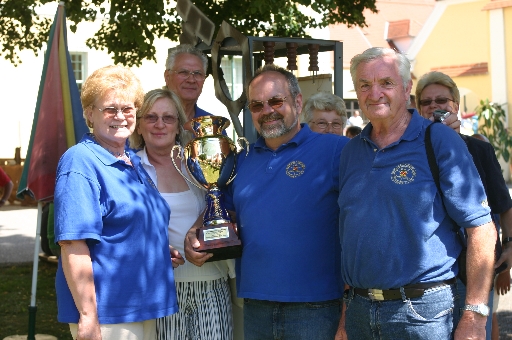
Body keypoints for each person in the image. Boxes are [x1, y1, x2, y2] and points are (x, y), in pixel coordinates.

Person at [338, 47, 496, 339]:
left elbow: (482, 229)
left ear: (406, 87)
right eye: (364, 85)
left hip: (423, 313)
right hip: (360, 311)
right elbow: (351, 239)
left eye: (386, 82)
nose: (375, 93)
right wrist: (346, 319)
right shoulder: (351, 152)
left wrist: (475, 316)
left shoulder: (438, 140)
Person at [185, 64, 350, 339]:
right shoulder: (241, 159)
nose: (267, 110)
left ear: (297, 102)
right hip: (256, 303)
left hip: (316, 306)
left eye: (276, 101)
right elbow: (221, 209)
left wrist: (347, 315)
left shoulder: (336, 150)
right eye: (257, 105)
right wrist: (194, 234)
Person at [54, 65, 178, 340]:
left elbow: (123, 223)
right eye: (110, 109)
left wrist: (154, 246)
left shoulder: (132, 160)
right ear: (89, 113)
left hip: (143, 307)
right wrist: (88, 317)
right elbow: (73, 243)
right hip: (109, 313)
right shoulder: (80, 162)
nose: (120, 116)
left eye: (128, 108)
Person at [130, 88, 235, 340]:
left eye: (168, 118)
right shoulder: (128, 168)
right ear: (139, 126)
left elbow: (221, 204)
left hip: (211, 281)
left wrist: (194, 231)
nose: (159, 124)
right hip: (160, 288)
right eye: (151, 117)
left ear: (178, 126)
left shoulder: (197, 160)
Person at [415, 70, 512, 339]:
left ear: (455, 105)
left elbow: (503, 204)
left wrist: (510, 246)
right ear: (417, 108)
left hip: (477, 265)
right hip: (430, 270)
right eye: (426, 102)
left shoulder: (479, 150)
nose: (434, 106)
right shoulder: (411, 153)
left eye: (442, 100)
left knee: (476, 328)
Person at [164, 44, 212, 121]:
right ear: (167, 77)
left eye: (197, 73)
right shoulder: (147, 119)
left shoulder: (212, 125)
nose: (191, 80)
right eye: (183, 72)